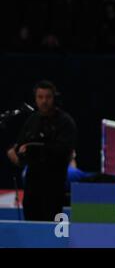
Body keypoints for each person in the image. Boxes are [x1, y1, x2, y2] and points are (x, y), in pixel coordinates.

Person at [7, 80, 77, 221]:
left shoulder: (65, 122)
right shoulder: (32, 120)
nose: (44, 101)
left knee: (50, 226)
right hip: (32, 185)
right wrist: (16, 153)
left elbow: (64, 151)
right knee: (31, 223)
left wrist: (37, 149)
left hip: (54, 185)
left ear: (54, 98)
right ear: (35, 99)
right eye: (40, 97)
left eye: (48, 97)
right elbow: (19, 146)